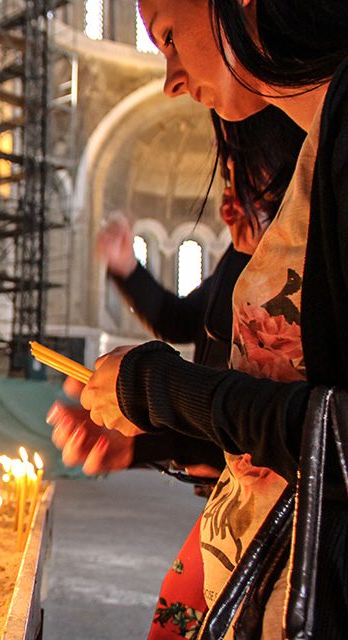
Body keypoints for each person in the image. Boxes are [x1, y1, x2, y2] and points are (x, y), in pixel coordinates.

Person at [76, 0, 348, 635]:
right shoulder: (322, 146)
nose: (170, 78)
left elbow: (334, 436)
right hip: (259, 569)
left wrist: (157, 390)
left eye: (170, 36)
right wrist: (147, 430)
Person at [52, 106, 304, 639]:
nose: (229, 203)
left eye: (248, 183)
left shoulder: (310, 281)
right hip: (229, 489)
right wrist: (138, 440)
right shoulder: (235, 266)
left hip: (288, 520)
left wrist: (151, 397)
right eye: (228, 181)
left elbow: (297, 430)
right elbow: (176, 320)